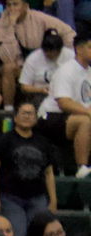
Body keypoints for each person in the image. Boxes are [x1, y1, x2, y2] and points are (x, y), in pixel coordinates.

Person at [0, 99, 56, 236]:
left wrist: (53, 201)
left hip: (37, 198)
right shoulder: (4, 140)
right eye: (24, 113)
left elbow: (49, 173)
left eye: (31, 114)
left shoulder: (43, 142)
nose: (27, 116)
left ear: (36, 118)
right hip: (10, 197)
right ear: (16, 117)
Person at [0, 0, 74, 108]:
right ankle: (8, 109)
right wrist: (11, 26)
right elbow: (8, 56)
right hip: (21, 66)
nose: (12, 8)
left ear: (25, 6)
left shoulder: (40, 18)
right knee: (8, 68)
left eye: (15, 4)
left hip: (45, 62)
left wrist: (62, 54)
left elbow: (69, 33)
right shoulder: (3, 23)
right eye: (9, 5)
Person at [37, 33, 91, 179]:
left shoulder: (89, 72)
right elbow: (64, 103)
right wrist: (88, 112)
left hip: (73, 116)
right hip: (49, 117)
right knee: (85, 121)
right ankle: (82, 167)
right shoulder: (66, 70)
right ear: (79, 49)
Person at [17, 27, 68, 105]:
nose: (51, 55)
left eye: (54, 53)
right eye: (47, 52)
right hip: (41, 95)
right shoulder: (33, 58)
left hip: (65, 94)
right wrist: (40, 90)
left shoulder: (70, 55)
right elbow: (24, 87)